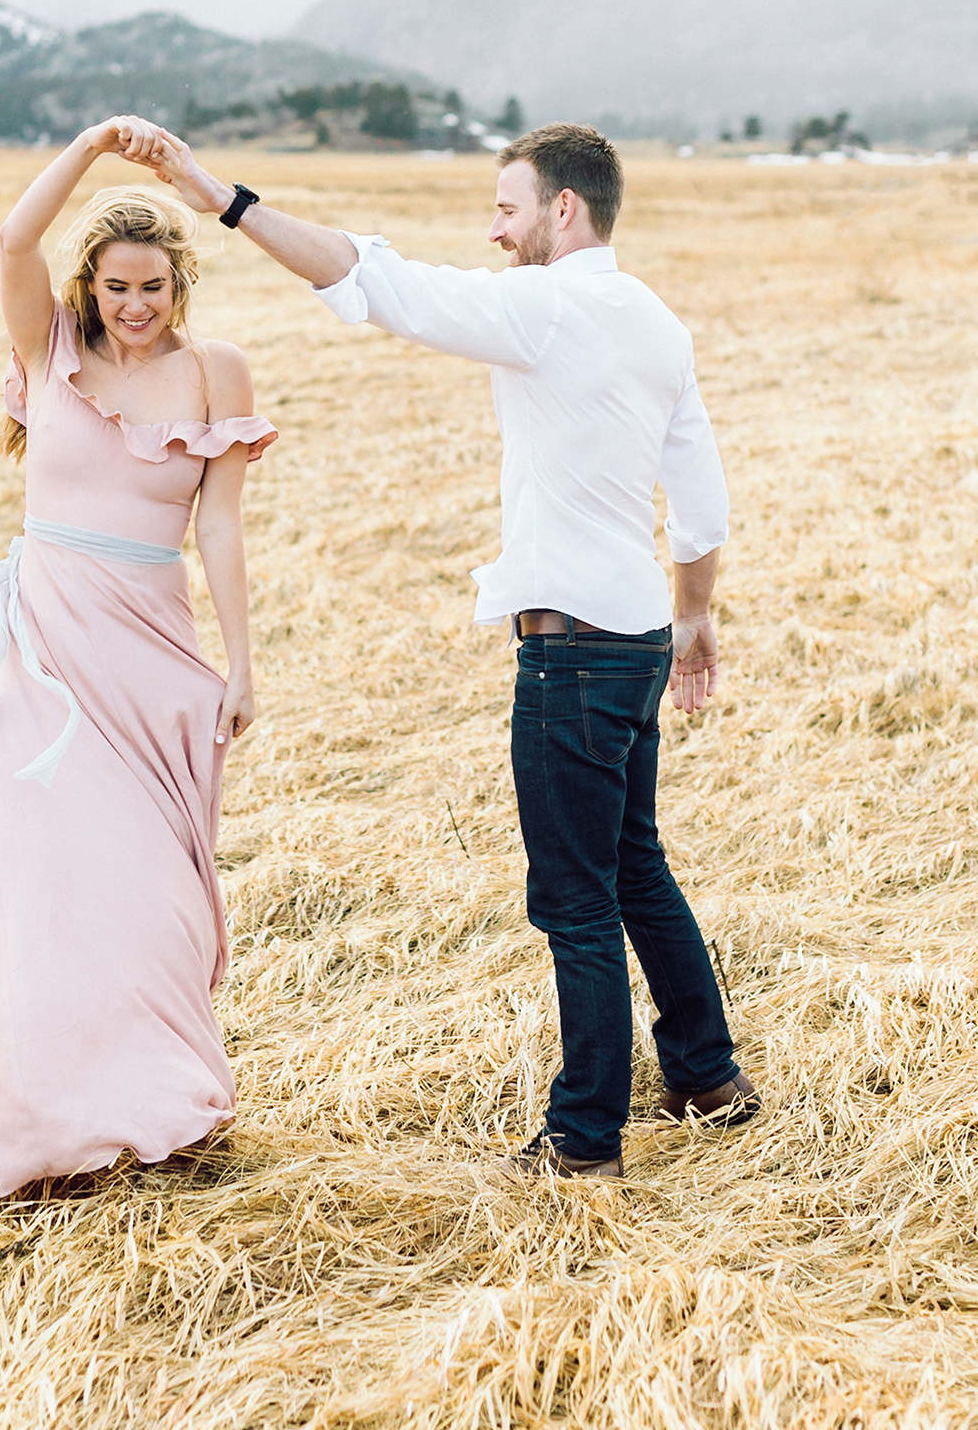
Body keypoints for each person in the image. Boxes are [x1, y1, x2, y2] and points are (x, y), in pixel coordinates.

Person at [125, 116, 758, 1182]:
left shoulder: (543, 308)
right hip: (639, 631)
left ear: (563, 208)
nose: (495, 230)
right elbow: (699, 507)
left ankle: (584, 1140)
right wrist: (694, 618)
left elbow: (377, 281)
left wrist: (222, 201)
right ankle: (708, 1077)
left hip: (571, 646)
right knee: (635, 866)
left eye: (507, 208)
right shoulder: (656, 320)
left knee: (575, 899)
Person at [0, 117, 276, 1196]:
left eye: (153, 290)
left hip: (153, 652)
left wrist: (242, 662)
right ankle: (32, 1103)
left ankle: (158, 1096)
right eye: (117, 287)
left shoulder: (217, 374)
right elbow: (11, 241)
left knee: (146, 890)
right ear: (92, 286)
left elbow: (218, 526)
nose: (134, 307)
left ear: (180, 290)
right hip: (45, 644)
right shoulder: (51, 352)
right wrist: (89, 150)